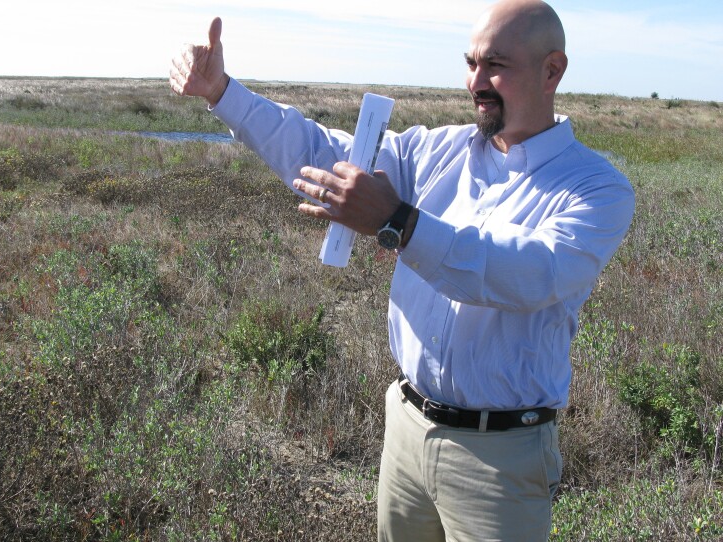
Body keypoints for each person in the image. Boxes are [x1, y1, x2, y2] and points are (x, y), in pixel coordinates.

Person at [170, 1, 634, 540]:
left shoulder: (596, 187)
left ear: (552, 70)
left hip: (500, 458)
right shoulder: (438, 150)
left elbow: (531, 273)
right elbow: (328, 154)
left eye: (496, 65)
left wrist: (399, 222)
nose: (476, 81)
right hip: (407, 427)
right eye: (471, 62)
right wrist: (224, 93)